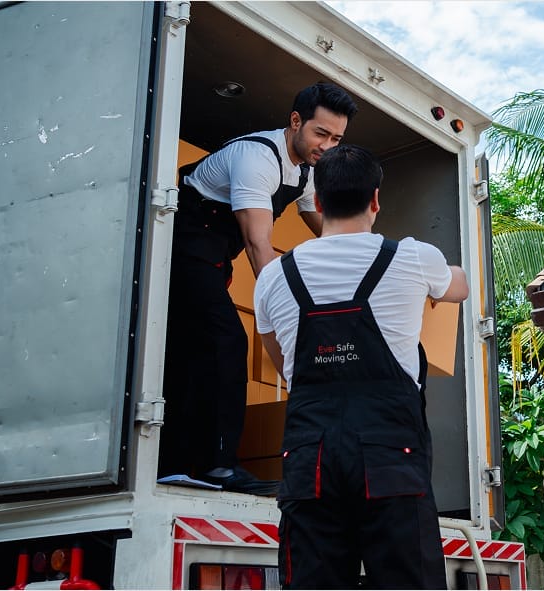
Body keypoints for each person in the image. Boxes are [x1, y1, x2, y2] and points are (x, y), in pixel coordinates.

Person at [254, 144, 469, 589]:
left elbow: (283, 363)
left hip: (311, 455)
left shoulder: (274, 276)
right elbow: (461, 285)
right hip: (390, 451)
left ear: (316, 202)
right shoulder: (411, 256)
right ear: (375, 200)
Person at [158, 82, 359, 495]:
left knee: (193, 349)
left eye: (337, 138)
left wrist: (368, 257)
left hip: (211, 259)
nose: (328, 145)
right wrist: (285, 312)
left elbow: (322, 222)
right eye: (321, 134)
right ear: (295, 121)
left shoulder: (307, 169)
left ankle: (179, 462)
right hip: (182, 251)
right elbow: (257, 243)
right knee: (227, 341)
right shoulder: (257, 159)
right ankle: (214, 465)